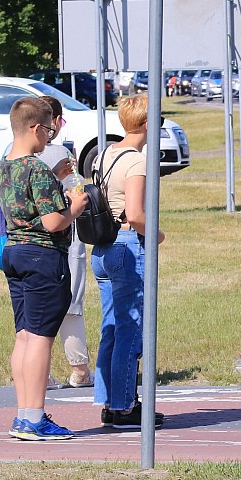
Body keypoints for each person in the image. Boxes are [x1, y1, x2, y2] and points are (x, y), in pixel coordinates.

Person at [0, 97, 87, 440]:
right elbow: (52, 222)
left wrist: (56, 181)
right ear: (35, 128)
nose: (49, 136)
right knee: (40, 339)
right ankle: (34, 418)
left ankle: (23, 414)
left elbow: (21, 203)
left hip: (15, 252)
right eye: (48, 129)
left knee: (24, 336)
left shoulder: (5, 164)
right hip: (42, 257)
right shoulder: (36, 169)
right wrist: (75, 206)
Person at [91, 94, 165, 431]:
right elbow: (134, 214)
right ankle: (124, 407)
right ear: (147, 124)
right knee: (131, 331)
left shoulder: (106, 153)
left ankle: (109, 402)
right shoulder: (137, 161)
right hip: (125, 246)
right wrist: (157, 233)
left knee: (111, 327)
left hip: (103, 250)